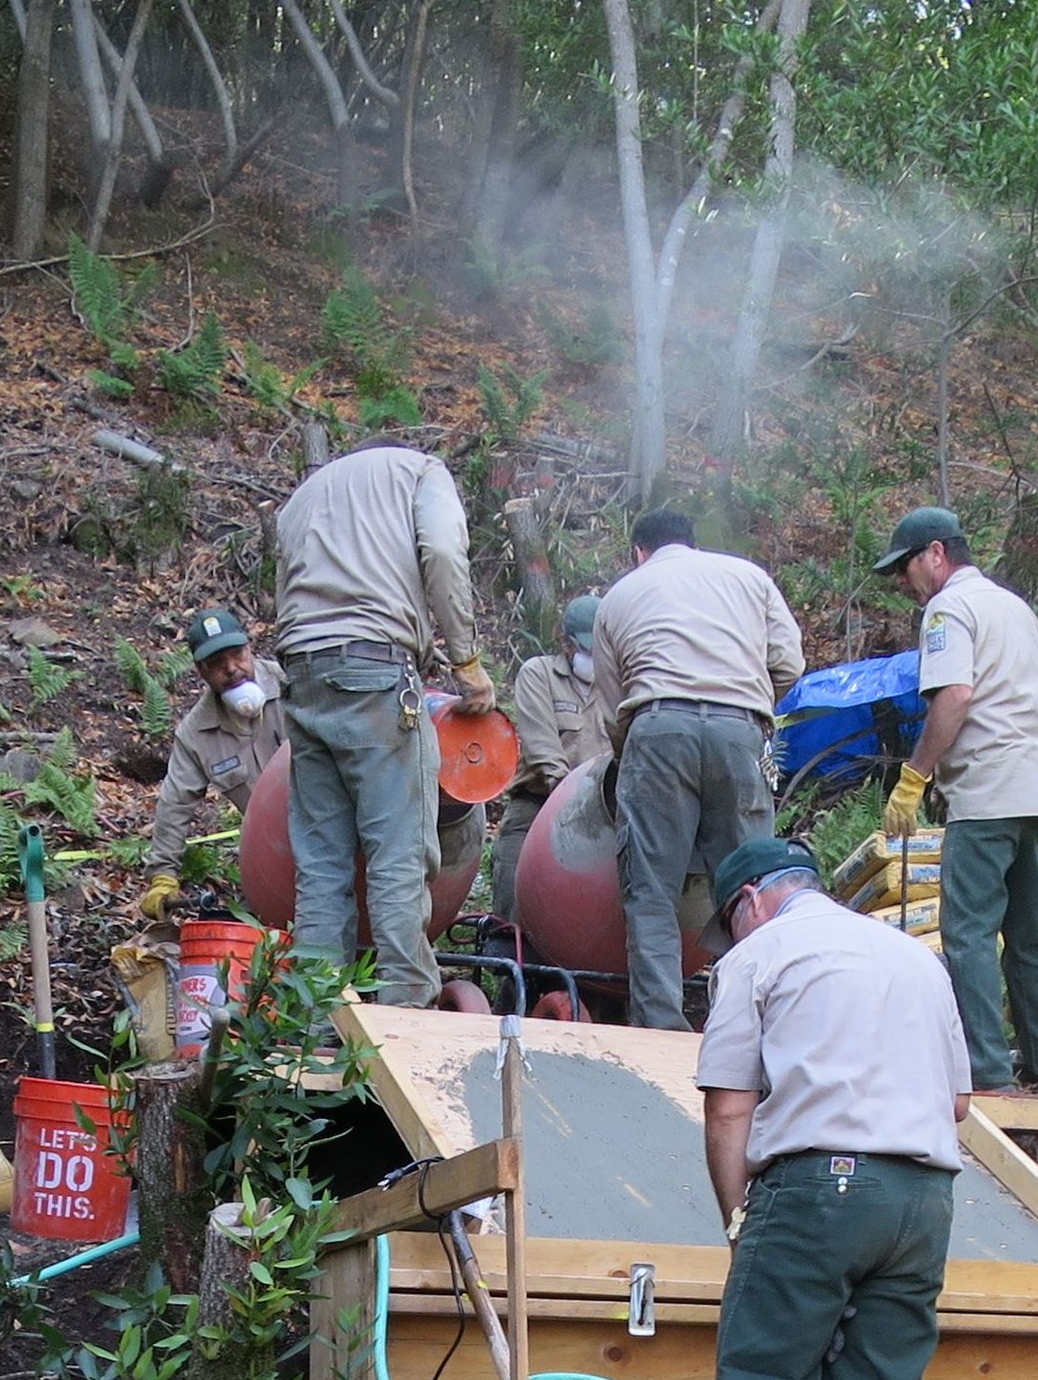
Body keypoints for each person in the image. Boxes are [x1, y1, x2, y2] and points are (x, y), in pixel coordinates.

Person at [695, 834, 972, 1380]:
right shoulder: (915, 959)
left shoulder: (760, 956)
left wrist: (739, 1217)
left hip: (817, 1188)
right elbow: (959, 1104)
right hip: (922, 1201)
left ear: (750, 903)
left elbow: (727, 1110)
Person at [272, 441, 488, 1005]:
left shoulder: (303, 497)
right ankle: (406, 1023)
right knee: (399, 853)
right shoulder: (423, 473)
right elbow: (442, 551)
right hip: (376, 674)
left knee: (320, 867)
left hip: (300, 676)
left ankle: (311, 1028)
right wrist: (465, 661)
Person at [873, 505, 1038, 1095]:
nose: (905, 585)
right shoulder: (1014, 605)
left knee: (969, 933)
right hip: (1035, 788)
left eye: (906, 570)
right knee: (1029, 931)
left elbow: (956, 695)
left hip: (987, 790)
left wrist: (916, 776)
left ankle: (985, 1074)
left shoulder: (949, 607)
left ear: (936, 553)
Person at [592, 508, 805, 1030]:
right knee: (752, 884)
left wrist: (639, 759)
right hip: (740, 730)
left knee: (651, 891)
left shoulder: (620, 595)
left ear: (639, 551)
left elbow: (612, 705)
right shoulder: (749, 577)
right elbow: (790, 664)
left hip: (657, 726)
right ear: (692, 540)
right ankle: (755, 1021)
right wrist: (744, 705)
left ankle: (662, 1028)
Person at [133, 608, 282, 925]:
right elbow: (174, 803)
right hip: (277, 856)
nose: (231, 669)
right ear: (200, 670)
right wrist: (163, 875)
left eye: (237, 655)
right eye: (217, 663)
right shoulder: (196, 734)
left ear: (249, 647)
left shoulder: (294, 686)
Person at [491, 593, 599, 936]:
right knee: (513, 912)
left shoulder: (619, 687)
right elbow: (543, 750)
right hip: (537, 807)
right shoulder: (538, 675)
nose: (592, 657)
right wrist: (570, 800)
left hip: (601, 820)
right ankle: (512, 980)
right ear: (565, 642)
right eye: (585, 648)